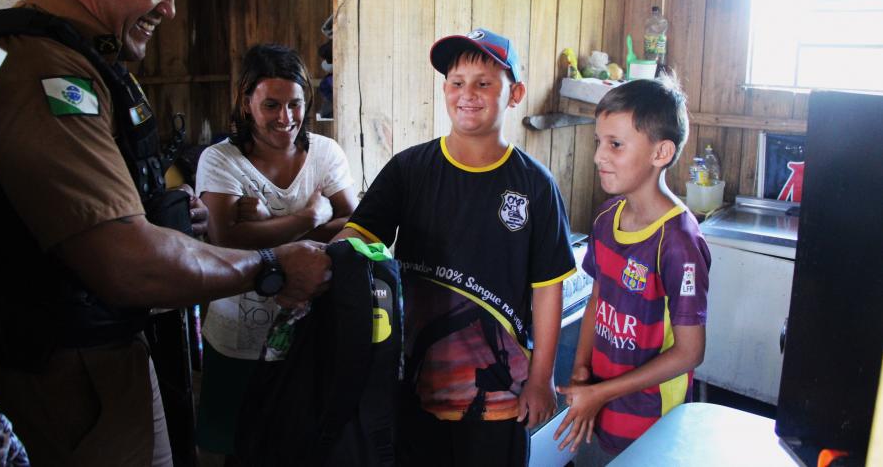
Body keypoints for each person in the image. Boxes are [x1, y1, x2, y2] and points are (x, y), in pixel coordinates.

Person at [0, 0, 331, 466]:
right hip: (61, 379)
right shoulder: (41, 67)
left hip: (91, 357)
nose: (170, 8)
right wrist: (267, 265)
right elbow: (124, 262)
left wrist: (162, 215)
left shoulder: (82, 56)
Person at [333, 28, 577, 466]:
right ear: (445, 89)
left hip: (500, 394)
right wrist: (319, 259)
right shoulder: (410, 169)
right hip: (414, 385)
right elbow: (356, 238)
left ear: (515, 93)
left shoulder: (535, 185)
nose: (468, 94)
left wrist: (543, 379)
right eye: (456, 82)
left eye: (484, 83)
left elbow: (547, 288)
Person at [193, 43, 357, 460]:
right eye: (271, 105)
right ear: (246, 102)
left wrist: (264, 226)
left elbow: (355, 224)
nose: (286, 118)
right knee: (233, 446)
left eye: (295, 104)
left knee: (298, 440)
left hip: (310, 331)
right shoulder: (220, 160)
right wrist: (309, 217)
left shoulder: (325, 153)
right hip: (238, 335)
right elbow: (226, 238)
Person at [553, 77, 711, 463]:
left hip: (650, 423)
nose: (598, 157)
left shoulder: (678, 242)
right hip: (596, 406)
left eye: (615, 145)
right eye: (599, 142)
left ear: (661, 152)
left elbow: (690, 353)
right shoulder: (608, 215)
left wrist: (601, 393)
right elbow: (598, 299)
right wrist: (581, 372)